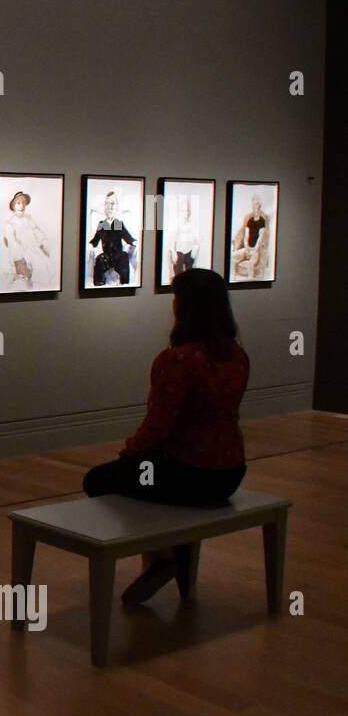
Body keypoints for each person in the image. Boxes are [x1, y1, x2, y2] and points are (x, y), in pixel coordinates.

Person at [83, 268, 249, 604]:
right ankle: (175, 553)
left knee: (100, 480)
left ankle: (162, 557)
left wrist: (128, 453)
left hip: (186, 474)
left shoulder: (177, 361)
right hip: (230, 473)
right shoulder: (236, 356)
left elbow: (158, 427)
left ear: (185, 308)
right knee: (143, 477)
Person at [0, 191, 55, 290]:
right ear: (13, 206)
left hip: (33, 248)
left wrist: (42, 243)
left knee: (45, 263)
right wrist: (19, 258)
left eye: (23, 202)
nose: (22, 206)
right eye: (18, 203)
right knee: (35, 264)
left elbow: (37, 232)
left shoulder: (29, 219)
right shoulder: (10, 223)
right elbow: (12, 243)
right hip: (22, 251)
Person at [88, 190, 135, 285]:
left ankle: (125, 283)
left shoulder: (118, 224)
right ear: (105, 206)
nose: (110, 207)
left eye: (113, 204)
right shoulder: (102, 224)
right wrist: (91, 246)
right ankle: (99, 284)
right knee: (100, 260)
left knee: (124, 256)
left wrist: (133, 243)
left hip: (118, 255)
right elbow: (95, 241)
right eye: (108, 204)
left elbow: (128, 238)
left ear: (116, 207)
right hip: (106, 256)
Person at [231, 194, 271, 280]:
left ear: (259, 205)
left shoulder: (262, 220)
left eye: (256, 204)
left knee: (251, 264)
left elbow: (261, 237)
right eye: (253, 204)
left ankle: (251, 282)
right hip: (247, 248)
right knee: (234, 257)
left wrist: (255, 249)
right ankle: (233, 280)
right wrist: (247, 247)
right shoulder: (249, 219)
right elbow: (246, 235)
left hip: (256, 250)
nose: (254, 206)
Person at [168, 195, 200, 281]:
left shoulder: (192, 224)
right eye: (183, 211)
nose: (185, 213)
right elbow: (172, 241)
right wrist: (173, 252)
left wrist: (195, 249)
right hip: (179, 251)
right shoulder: (177, 223)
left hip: (189, 251)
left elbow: (196, 241)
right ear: (180, 212)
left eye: (187, 211)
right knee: (179, 270)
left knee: (190, 272)